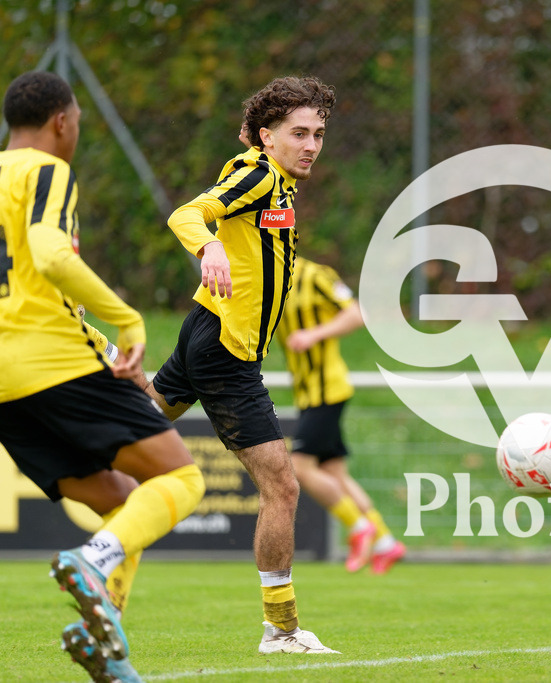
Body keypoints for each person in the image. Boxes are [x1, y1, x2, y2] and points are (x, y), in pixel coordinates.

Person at [0, 71, 205, 683]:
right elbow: (50, 255)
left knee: (124, 502)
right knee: (182, 479)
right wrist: (127, 320)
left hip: (6, 388)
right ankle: (91, 570)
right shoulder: (46, 170)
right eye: (79, 122)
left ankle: (106, 640)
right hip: (52, 361)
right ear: (62, 121)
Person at [143, 76, 339, 654]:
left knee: (131, 429)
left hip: (207, 331)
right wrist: (210, 247)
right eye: (298, 133)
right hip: (226, 353)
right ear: (266, 135)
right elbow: (188, 214)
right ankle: (281, 630)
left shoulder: (278, 182)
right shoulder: (256, 174)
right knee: (281, 486)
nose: (311, 145)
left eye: (319, 134)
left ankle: (85, 387)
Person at [278, 256, 406, 574]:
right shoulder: (267, 280)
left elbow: (356, 313)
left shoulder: (315, 275)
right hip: (308, 392)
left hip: (327, 390)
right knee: (336, 474)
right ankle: (386, 543)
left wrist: (315, 334)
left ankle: (359, 526)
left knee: (301, 468)